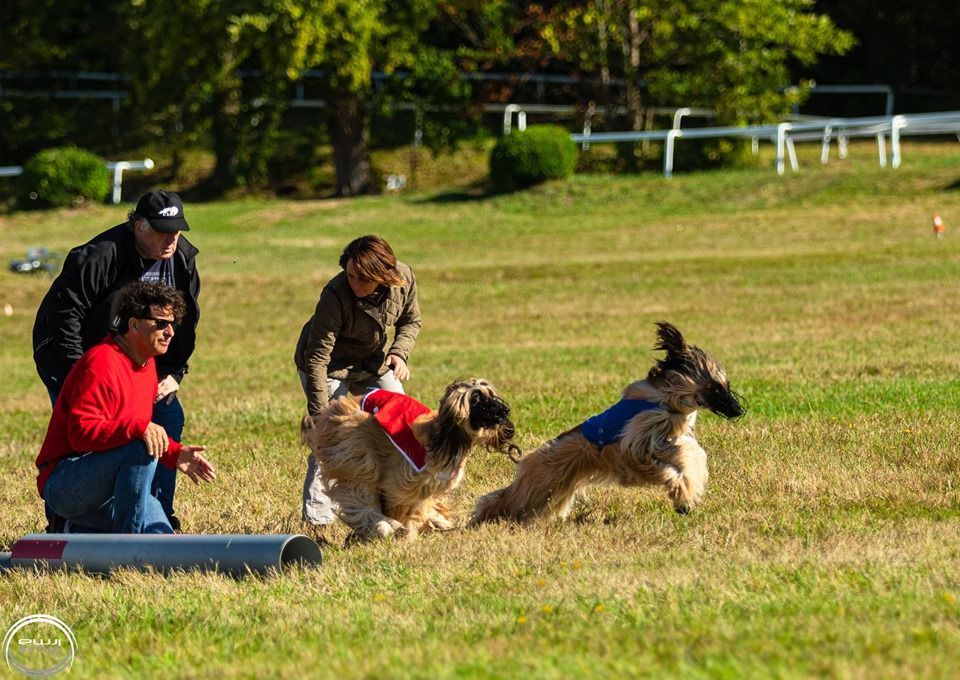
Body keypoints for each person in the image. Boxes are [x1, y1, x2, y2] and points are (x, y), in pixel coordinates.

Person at [32, 189, 200, 530]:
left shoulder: (180, 258)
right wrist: (82, 372)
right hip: (78, 358)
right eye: (161, 230)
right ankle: (65, 522)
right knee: (102, 437)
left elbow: (183, 321)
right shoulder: (99, 257)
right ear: (138, 226)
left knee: (166, 415)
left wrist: (175, 373)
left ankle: (154, 511)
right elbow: (65, 317)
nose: (171, 239)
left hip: (136, 359)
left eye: (176, 231)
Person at [36, 282, 215, 534]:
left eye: (172, 324)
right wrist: (138, 430)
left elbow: (132, 431)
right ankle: (126, 549)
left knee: (160, 536)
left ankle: (72, 530)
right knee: (141, 449)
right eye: (161, 323)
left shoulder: (147, 364)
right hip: (65, 482)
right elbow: (81, 434)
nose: (170, 332)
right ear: (133, 325)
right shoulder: (101, 363)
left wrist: (175, 454)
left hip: (106, 485)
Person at [294, 235, 422, 527]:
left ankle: (401, 507)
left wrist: (399, 354)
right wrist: (321, 417)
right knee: (331, 441)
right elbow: (317, 359)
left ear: (382, 276)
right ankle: (317, 521)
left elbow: (411, 321)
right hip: (327, 367)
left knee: (403, 422)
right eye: (350, 274)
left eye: (362, 278)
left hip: (370, 362)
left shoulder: (404, 277)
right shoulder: (335, 294)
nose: (353, 282)